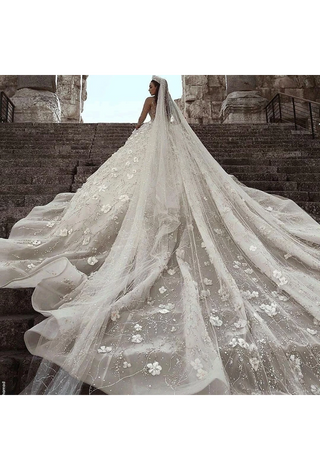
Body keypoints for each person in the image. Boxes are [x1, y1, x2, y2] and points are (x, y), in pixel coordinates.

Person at [0, 74, 320, 398]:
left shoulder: (150, 103)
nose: (149, 89)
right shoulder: (167, 108)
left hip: (149, 144)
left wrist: (135, 135)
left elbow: (140, 125)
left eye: (151, 86)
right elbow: (170, 126)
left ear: (155, 89)